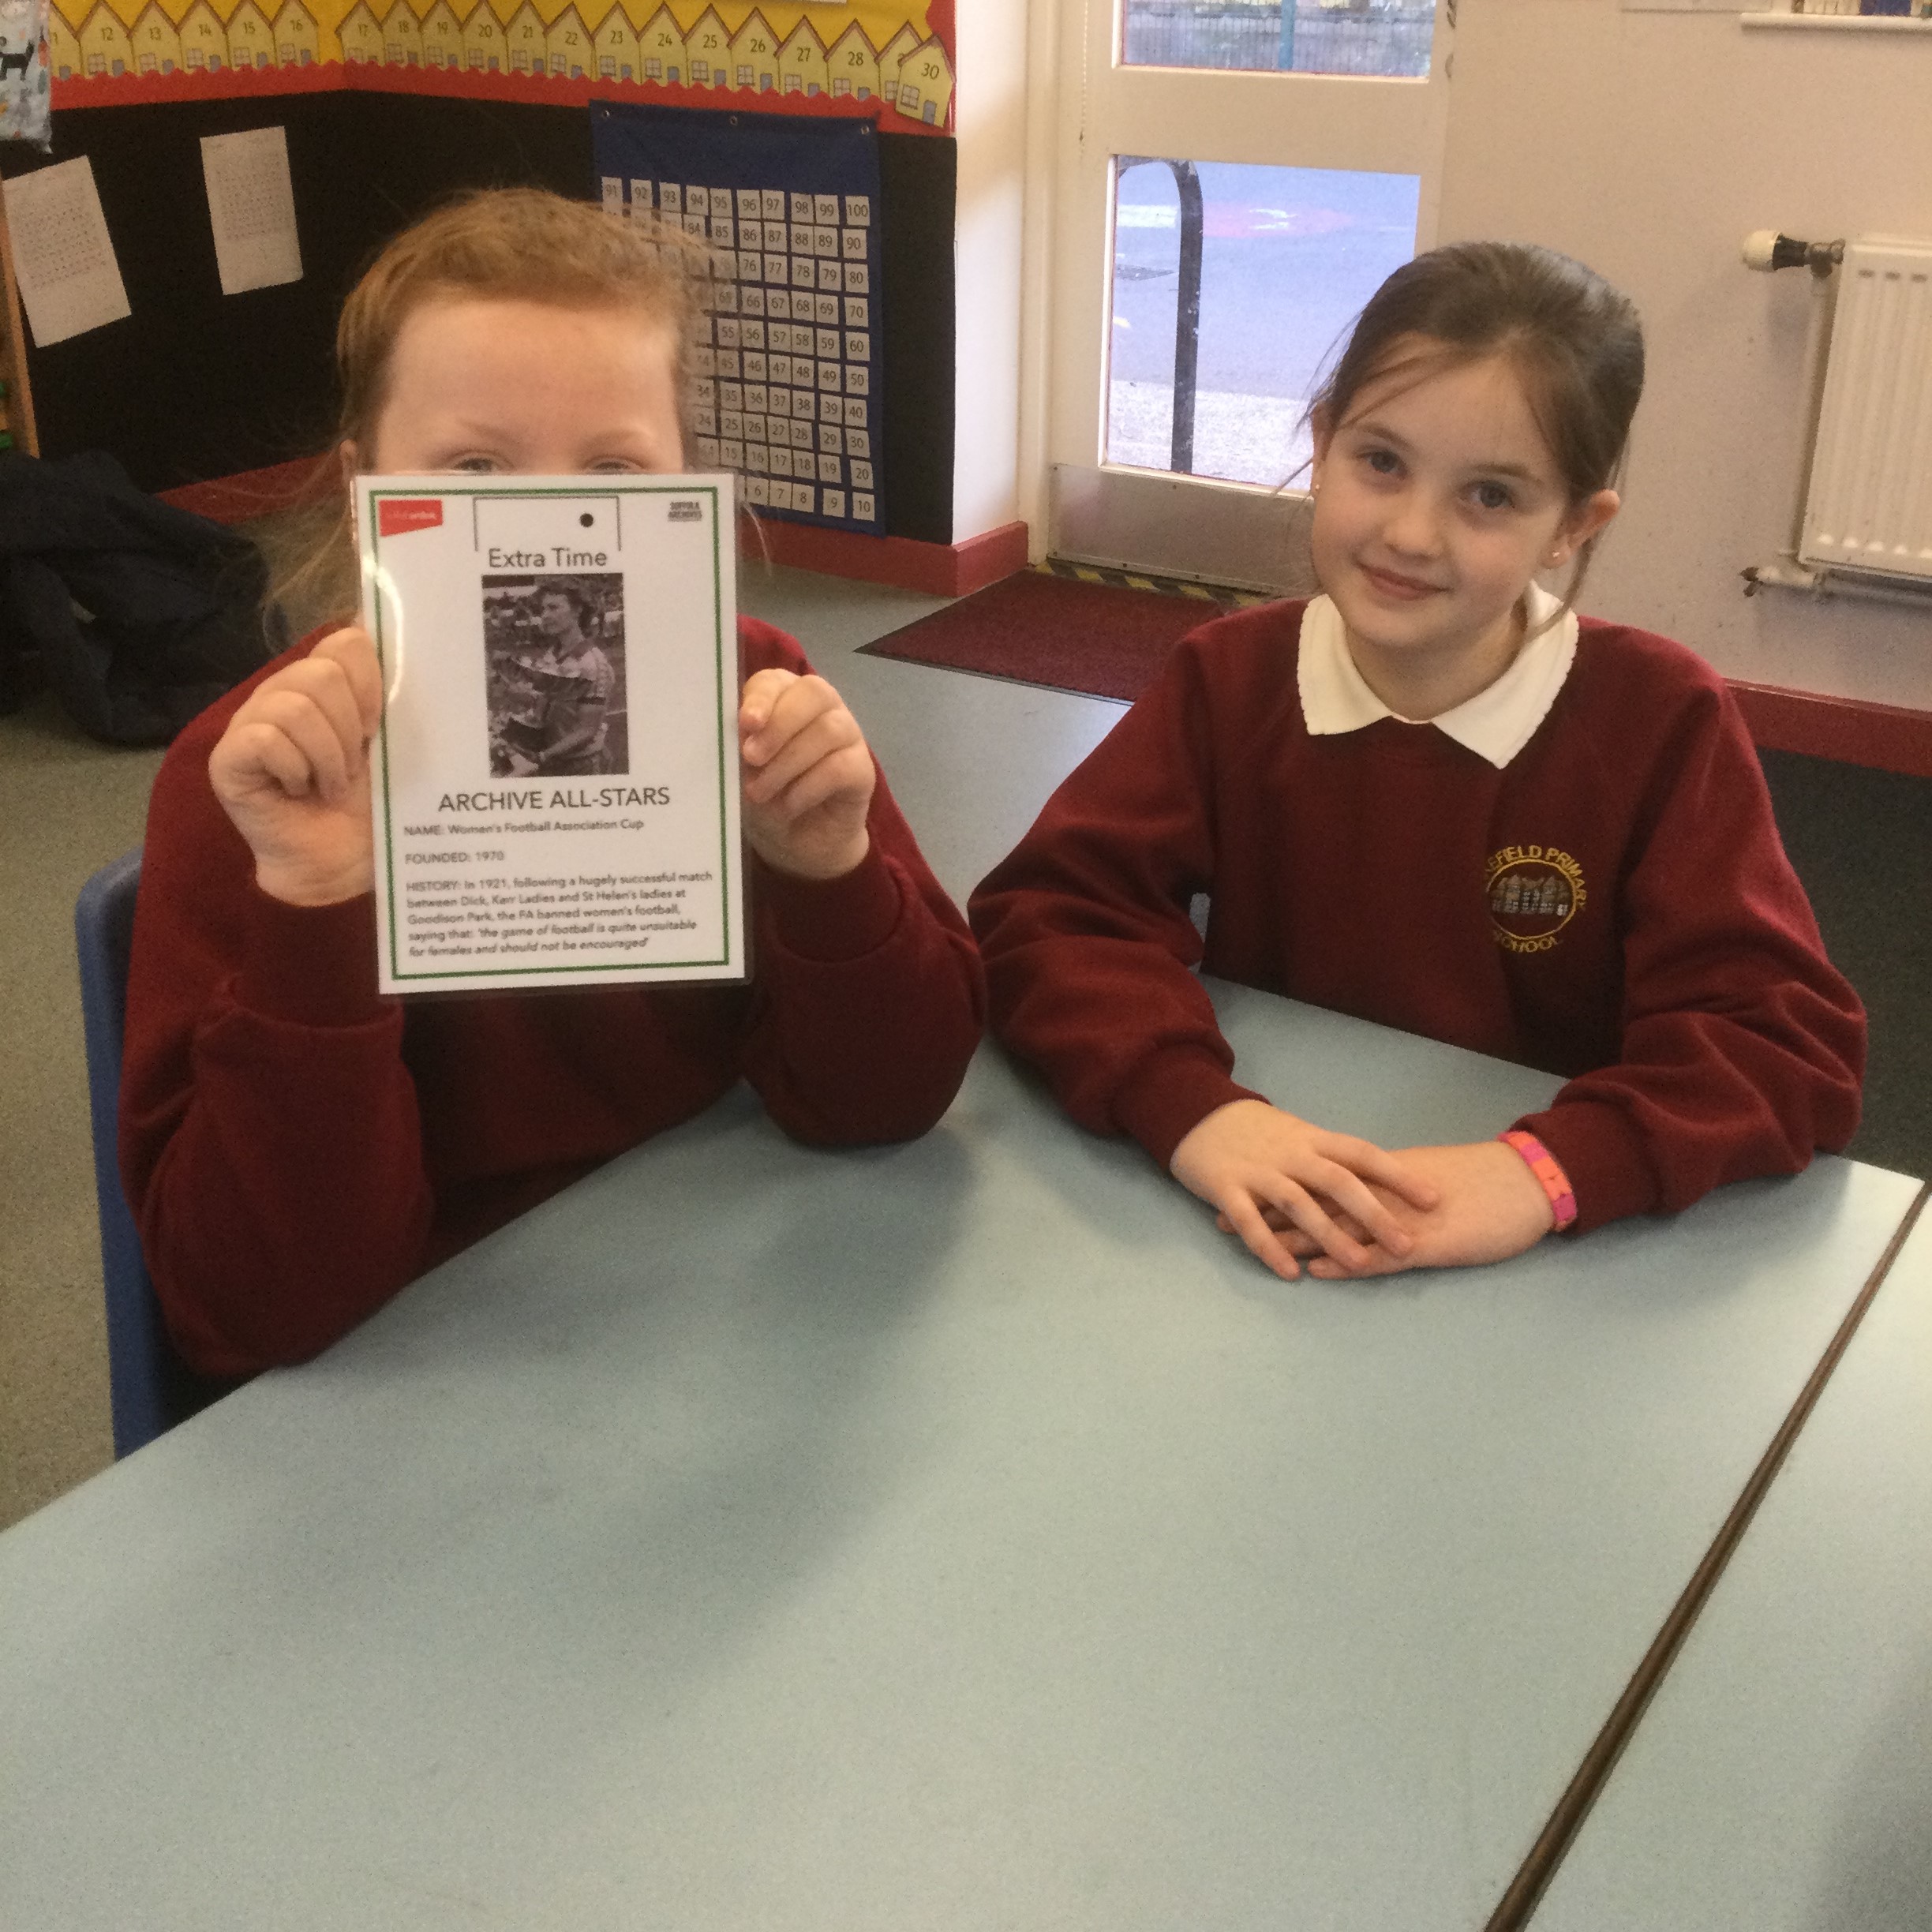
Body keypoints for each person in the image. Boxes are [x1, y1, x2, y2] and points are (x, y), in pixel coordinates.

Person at [122, 188, 985, 1378]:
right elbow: (254, 1313)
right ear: (367, 490)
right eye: (474, 465)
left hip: (731, 1295)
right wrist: (314, 898)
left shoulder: (750, 701)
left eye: (613, 465)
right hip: (419, 1362)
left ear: (686, 481)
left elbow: (890, 1100)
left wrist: (830, 869)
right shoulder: (253, 789)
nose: (542, 521)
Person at [969, 242, 1864, 1285]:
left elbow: (1782, 1045)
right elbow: (1049, 919)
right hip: (1268, 1233)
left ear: (1572, 527)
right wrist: (1194, 1108)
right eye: (1380, 462)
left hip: (1553, 1269)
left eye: (1490, 495)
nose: (1411, 532)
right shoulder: (1231, 676)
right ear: (1322, 443)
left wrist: (1547, 1171)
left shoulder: (1661, 721)